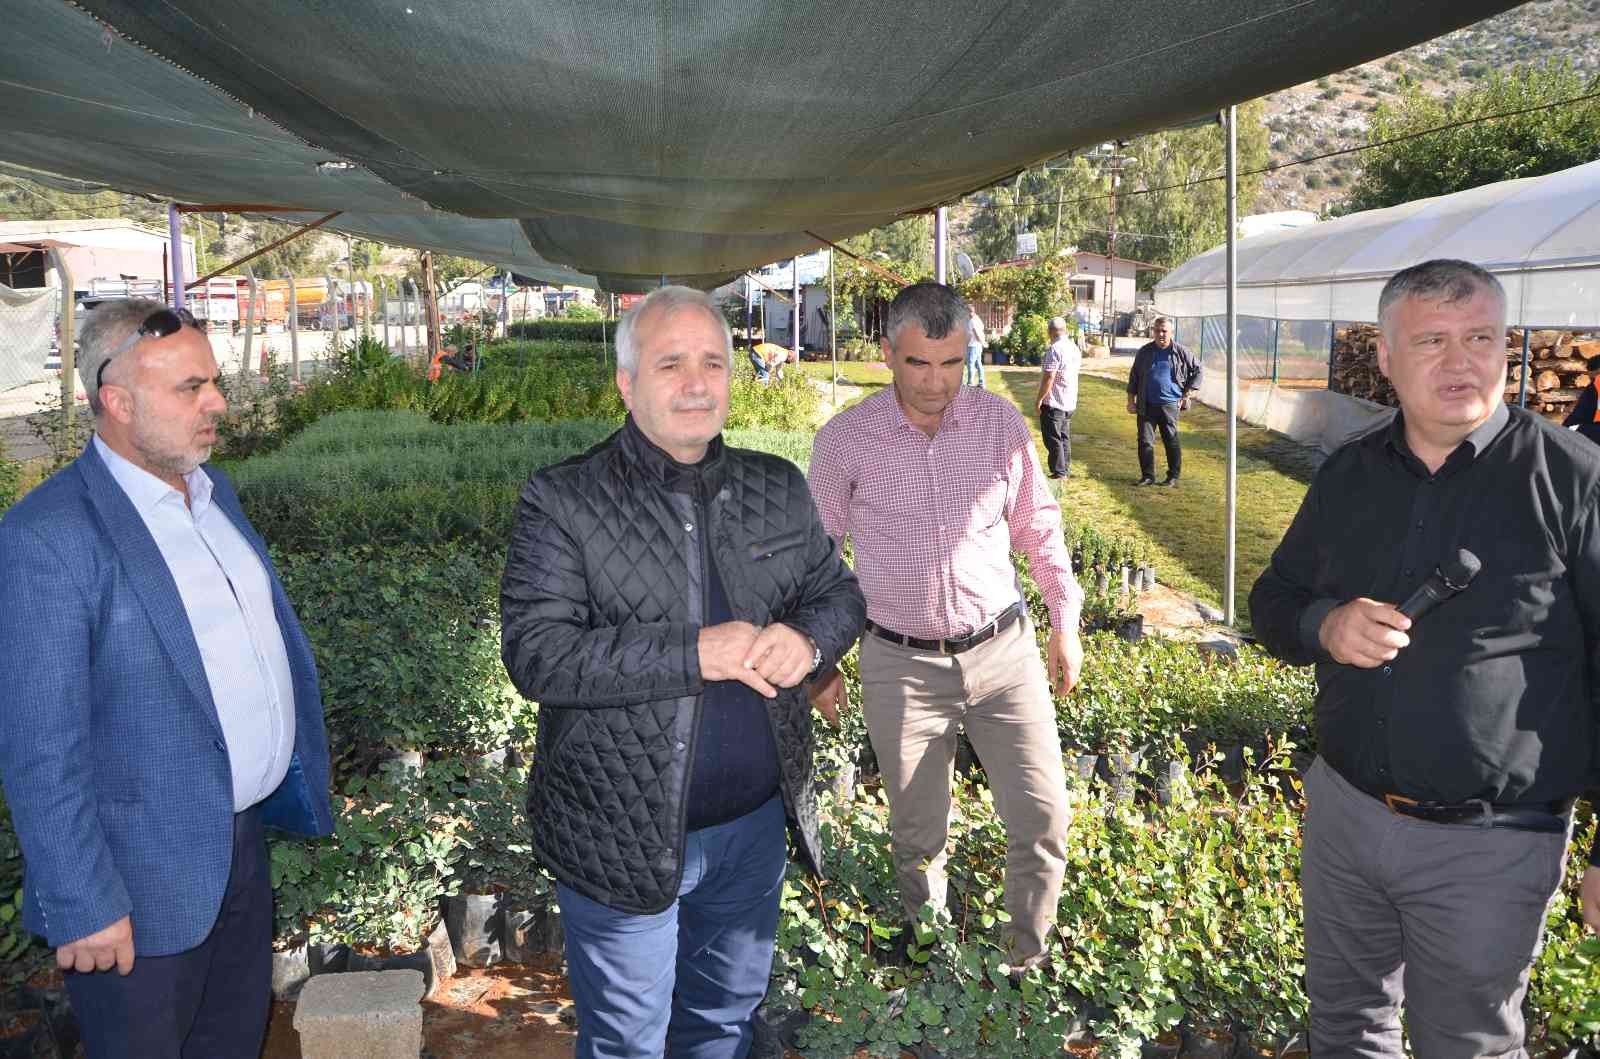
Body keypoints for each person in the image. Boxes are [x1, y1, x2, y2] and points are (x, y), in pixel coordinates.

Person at [500, 286, 865, 1059]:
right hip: (620, 834)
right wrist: (696, 651)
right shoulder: (565, 499)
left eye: (713, 363)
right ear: (627, 383)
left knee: (722, 1023)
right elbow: (537, 652)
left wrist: (809, 642)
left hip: (753, 829)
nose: (697, 383)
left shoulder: (775, 485)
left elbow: (839, 594)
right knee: (628, 1041)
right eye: (671, 364)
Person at [1249, 259, 1600, 1057]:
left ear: (1507, 345)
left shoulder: (1573, 481)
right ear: (1385, 356)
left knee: (1466, 1045)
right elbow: (1272, 598)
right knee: (1345, 1027)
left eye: (1480, 338)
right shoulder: (1350, 474)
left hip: (1489, 844)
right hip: (1346, 816)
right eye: (1432, 340)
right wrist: (1324, 625)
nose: (1460, 362)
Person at [0, 299, 334, 1058]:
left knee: (233, 1042)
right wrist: (82, 902)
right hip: (133, 893)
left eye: (213, 382)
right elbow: (39, 747)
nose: (218, 403)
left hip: (237, 853)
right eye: (190, 388)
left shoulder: (216, 496)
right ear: (117, 402)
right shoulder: (48, 537)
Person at [807, 282, 1082, 971]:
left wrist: (1064, 619)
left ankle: (1024, 966)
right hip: (900, 663)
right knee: (918, 836)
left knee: (1044, 818)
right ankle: (935, 965)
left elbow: (1039, 528)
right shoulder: (845, 441)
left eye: (952, 363)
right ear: (887, 353)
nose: (936, 383)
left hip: (1003, 654)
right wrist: (820, 661)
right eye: (918, 363)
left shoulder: (998, 426)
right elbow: (816, 560)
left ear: (969, 353)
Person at [1125, 317, 1201, 487]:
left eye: (1164, 331)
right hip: (1146, 404)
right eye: (1157, 330)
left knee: (1171, 440)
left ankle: (1172, 477)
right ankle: (1147, 476)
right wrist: (1131, 401)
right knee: (1145, 441)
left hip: (1170, 404)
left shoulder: (1181, 352)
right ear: (1153, 331)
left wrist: (1187, 394)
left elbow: (1198, 370)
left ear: (1171, 332)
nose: (1160, 334)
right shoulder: (1144, 352)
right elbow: (1134, 377)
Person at [1037, 316, 1081, 479]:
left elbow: (1049, 377)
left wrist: (1039, 399)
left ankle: (1059, 471)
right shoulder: (1074, 347)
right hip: (1069, 399)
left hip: (1054, 401)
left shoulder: (1055, 349)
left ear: (1050, 331)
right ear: (1065, 330)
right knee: (1064, 436)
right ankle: (1065, 468)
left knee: (1053, 438)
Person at [1561, 353, 1600, 446]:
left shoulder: (1595, 387)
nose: (1594, 380)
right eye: (1592, 379)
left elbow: (1576, 418)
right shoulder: (1594, 388)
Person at [965, 306, 987, 388]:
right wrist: (982, 343)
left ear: (969, 312)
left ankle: (970, 383)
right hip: (978, 346)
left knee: (970, 364)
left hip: (973, 346)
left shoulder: (972, 321)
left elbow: (976, 333)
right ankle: (982, 382)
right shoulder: (978, 319)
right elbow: (980, 331)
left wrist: (981, 342)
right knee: (978, 364)